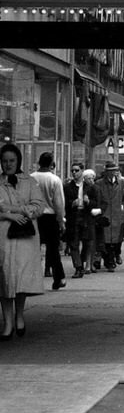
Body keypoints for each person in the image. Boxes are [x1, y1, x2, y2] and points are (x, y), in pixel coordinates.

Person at [0, 141, 45, 339]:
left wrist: (26, 211)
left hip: (25, 238)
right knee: (4, 278)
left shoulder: (29, 182)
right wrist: (12, 213)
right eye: (4, 161)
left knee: (21, 278)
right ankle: (7, 322)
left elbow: (39, 205)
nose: (8, 164)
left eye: (12, 160)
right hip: (3, 237)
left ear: (18, 161)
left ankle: (19, 316)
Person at [30, 151, 66, 291]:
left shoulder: (31, 178)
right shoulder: (54, 180)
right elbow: (59, 203)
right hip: (50, 217)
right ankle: (58, 278)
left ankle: (32, 279)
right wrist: (61, 220)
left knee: (33, 249)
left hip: (34, 217)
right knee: (53, 249)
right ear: (51, 164)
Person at [90, 161, 124, 271]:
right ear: (106, 172)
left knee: (115, 240)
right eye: (111, 171)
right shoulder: (99, 183)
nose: (113, 173)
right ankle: (108, 261)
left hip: (117, 214)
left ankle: (110, 259)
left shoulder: (121, 183)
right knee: (104, 239)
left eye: (115, 171)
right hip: (104, 214)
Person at [68, 167, 99, 277]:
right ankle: (78, 267)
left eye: (77, 170)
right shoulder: (67, 186)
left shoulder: (90, 187)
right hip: (74, 216)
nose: (74, 173)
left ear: (82, 172)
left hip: (86, 217)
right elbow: (64, 202)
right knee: (74, 243)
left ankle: (83, 262)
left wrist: (89, 201)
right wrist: (72, 203)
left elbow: (97, 202)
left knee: (87, 242)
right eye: (72, 171)